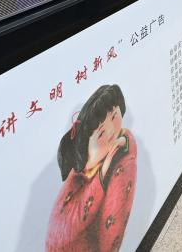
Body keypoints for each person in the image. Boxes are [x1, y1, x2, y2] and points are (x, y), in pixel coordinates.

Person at [47, 84, 136, 252]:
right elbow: (63, 228)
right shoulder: (77, 177)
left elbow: (112, 226)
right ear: (84, 150)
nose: (112, 131)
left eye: (114, 116)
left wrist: (120, 146)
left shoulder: (122, 160)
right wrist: (102, 173)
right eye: (101, 133)